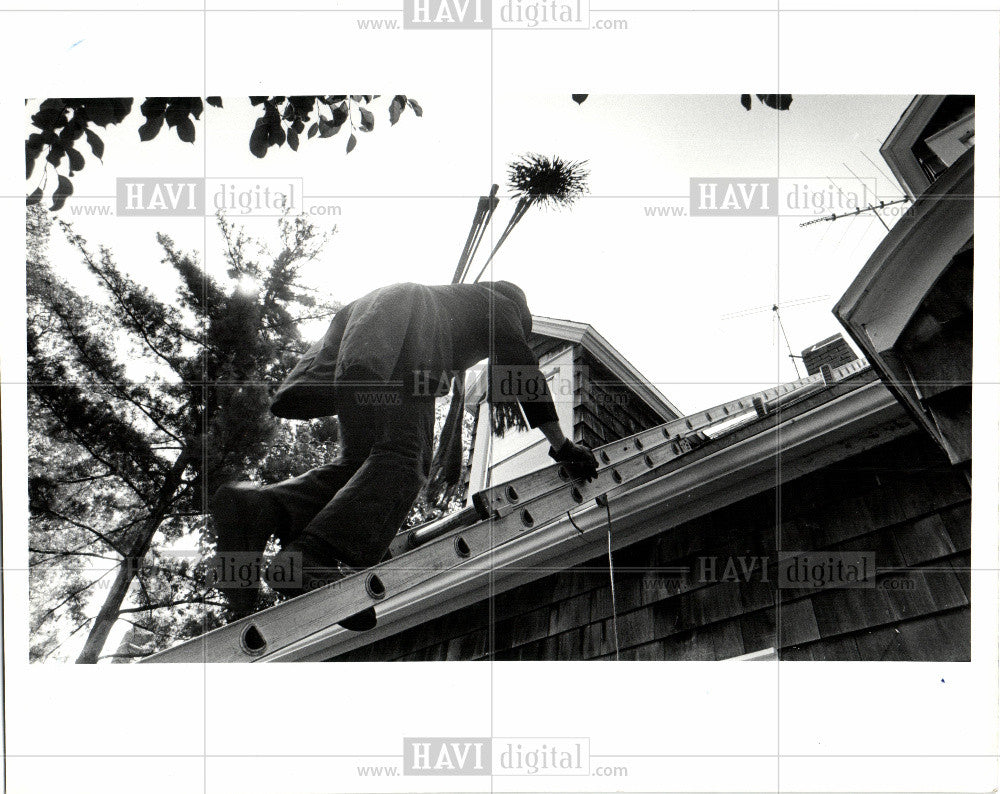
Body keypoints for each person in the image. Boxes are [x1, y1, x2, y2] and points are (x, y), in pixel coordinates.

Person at [209, 280, 599, 628]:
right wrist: (562, 445)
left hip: (364, 341)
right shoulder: (502, 304)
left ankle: (263, 507)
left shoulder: (456, 305)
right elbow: (522, 372)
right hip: (404, 340)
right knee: (405, 459)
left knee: (361, 464)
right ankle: (310, 558)